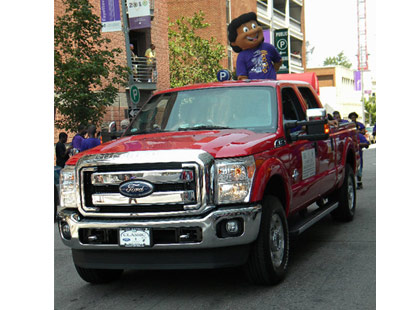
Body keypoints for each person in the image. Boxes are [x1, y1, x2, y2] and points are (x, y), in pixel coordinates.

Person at [228, 12, 282, 80]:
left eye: (254, 26)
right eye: (246, 30)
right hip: (254, 88)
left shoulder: (268, 47)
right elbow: (242, 77)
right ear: (234, 42)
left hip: (270, 86)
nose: (252, 31)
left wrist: (272, 72)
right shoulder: (242, 56)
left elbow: (278, 60)